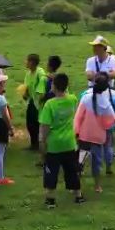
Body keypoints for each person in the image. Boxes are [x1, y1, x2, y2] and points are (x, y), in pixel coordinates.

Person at [39, 73, 84, 208]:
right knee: (72, 171)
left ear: (53, 86)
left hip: (54, 144)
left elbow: (45, 126)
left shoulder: (49, 104)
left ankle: (50, 199)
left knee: (51, 171)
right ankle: (78, 196)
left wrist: (43, 141)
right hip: (69, 143)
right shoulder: (72, 99)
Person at [74, 74, 115, 193]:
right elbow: (113, 120)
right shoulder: (105, 103)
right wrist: (104, 126)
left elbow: (78, 117)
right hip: (98, 138)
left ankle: (75, 186)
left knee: (80, 161)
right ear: (105, 88)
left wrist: (76, 132)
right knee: (96, 163)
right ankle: (97, 186)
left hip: (84, 136)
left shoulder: (85, 98)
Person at [23, 53, 48, 151]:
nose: (26, 62)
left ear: (32, 62)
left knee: (36, 124)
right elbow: (26, 87)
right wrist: (25, 94)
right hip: (31, 101)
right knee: (29, 123)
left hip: (39, 103)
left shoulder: (40, 72)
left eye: (27, 61)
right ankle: (33, 143)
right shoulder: (28, 74)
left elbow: (43, 83)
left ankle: (38, 144)